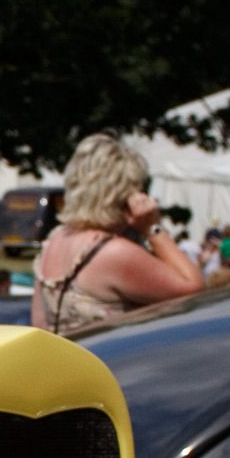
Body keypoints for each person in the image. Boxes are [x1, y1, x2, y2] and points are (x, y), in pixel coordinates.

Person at [32, 133, 205, 336]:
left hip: (65, 363)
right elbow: (193, 289)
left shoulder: (55, 239)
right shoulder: (113, 252)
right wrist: (153, 227)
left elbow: (40, 324)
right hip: (111, 366)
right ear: (123, 195)